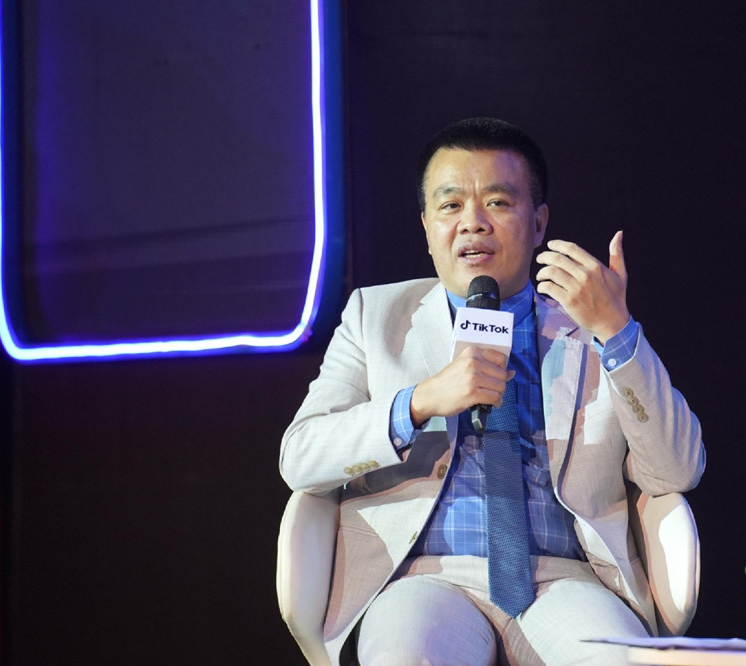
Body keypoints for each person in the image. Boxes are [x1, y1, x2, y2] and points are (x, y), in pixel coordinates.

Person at [280, 117, 705, 665]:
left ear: (538, 222)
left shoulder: (589, 325)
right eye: (451, 205)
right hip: (422, 576)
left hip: (567, 578)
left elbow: (676, 471)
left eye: (498, 203)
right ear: (427, 227)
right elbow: (301, 457)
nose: (473, 223)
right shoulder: (375, 316)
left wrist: (617, 331)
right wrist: (418, 402)